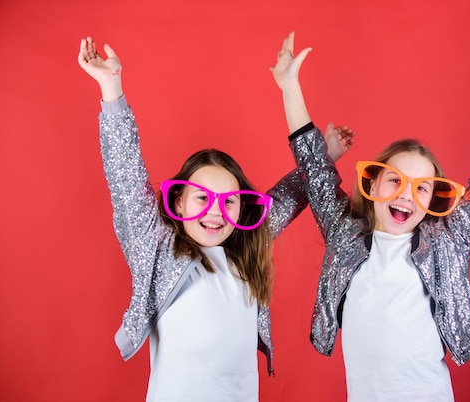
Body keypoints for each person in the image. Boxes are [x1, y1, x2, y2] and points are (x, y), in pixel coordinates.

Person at [271, 32, 470, 401]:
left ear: (434, 199)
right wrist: (290, 87)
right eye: (395, 180)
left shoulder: (449, 240)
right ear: (373, 182)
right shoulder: (344, 234)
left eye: (420, 187)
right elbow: (314, 169)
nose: (405, 193)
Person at [77, 36, 354, 402]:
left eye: (230, 201)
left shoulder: (246, 247)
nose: (215, 211)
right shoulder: (158, 250)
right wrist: (111, 88)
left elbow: (289, 196)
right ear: (177, 202)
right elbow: (125, 176)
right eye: (203, 198)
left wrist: (325, 158)